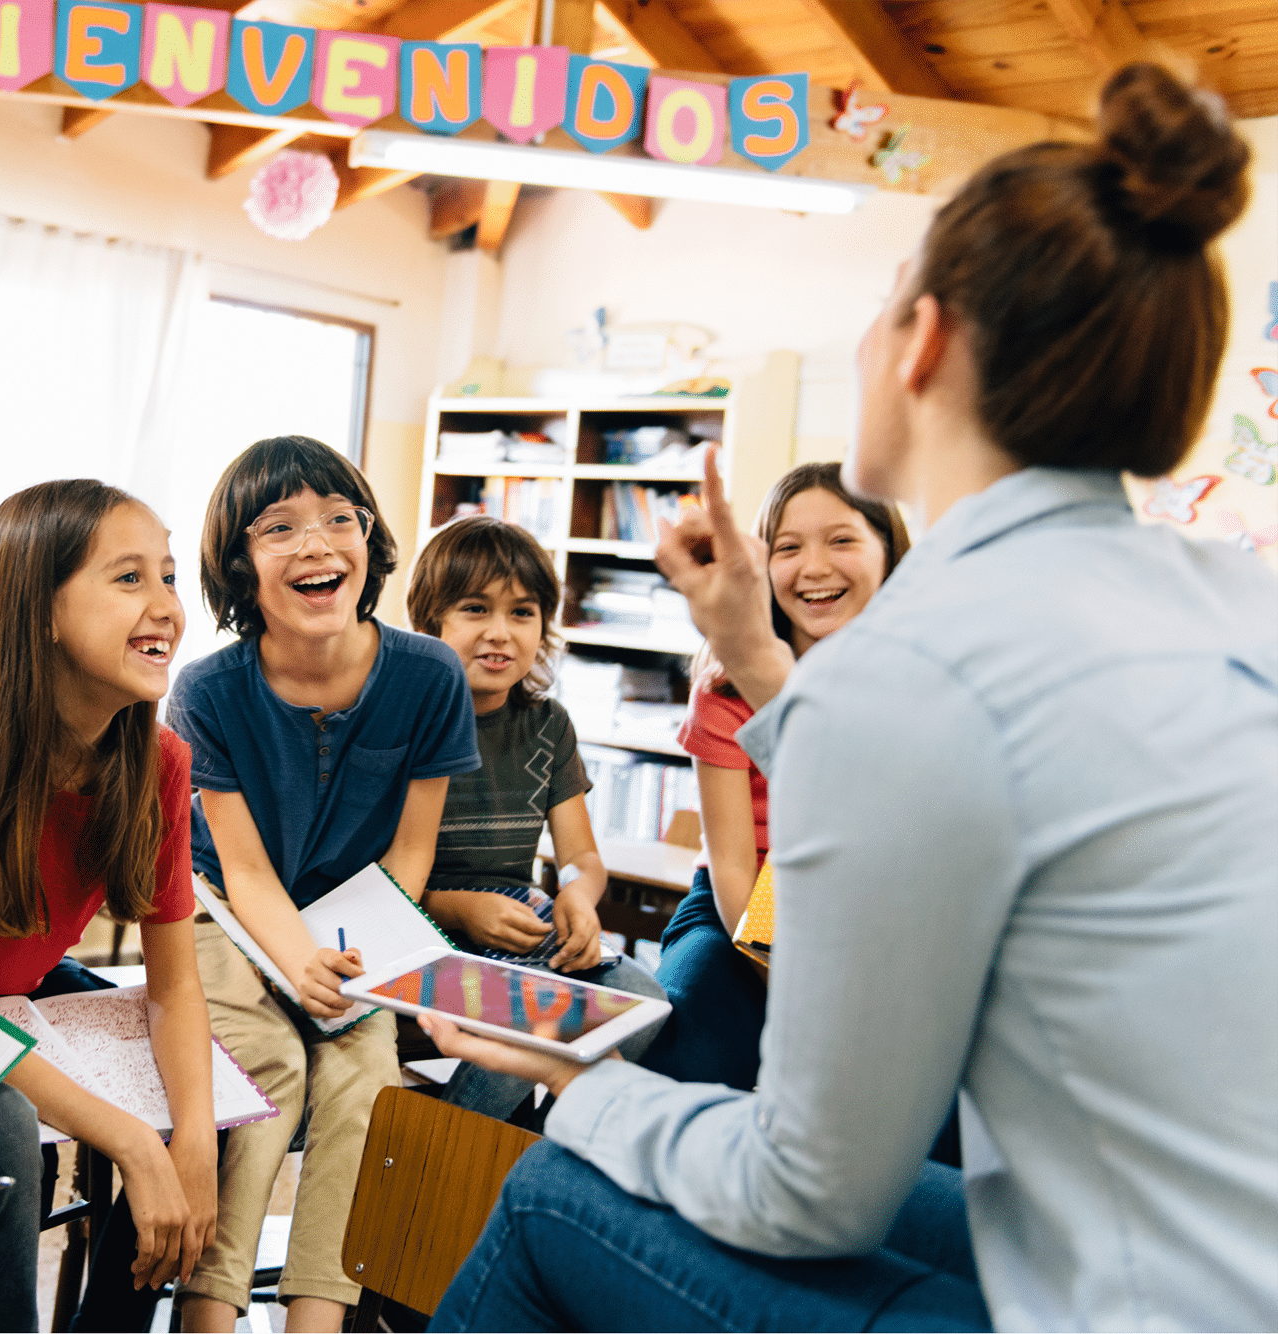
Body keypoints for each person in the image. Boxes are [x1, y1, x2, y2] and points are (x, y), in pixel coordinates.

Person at [426, 63, 1278, 1332]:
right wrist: (762, 666)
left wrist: (579, 1073)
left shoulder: (911, 671)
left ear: (922, 341)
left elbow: (810, 1191)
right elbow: (967, 777)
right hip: (1196, 1259)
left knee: (559, 1182)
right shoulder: (1234, 599)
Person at [0, 479, 217, 1332]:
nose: (166, 604)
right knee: (9, 1131)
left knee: (205, 1102)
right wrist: (131, 1139)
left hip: (12, 988)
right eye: (129, 577)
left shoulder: (159, 760)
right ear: (41, 612)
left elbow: (172, 988)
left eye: (169, 576)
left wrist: (193, 1140)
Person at [166, 436, 481, 1334]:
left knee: (364, 1079)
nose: (318, 544)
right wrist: (296, 960)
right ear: (239, 566)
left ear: (371, 542)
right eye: (280, 528)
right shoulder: (206, 692)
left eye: (341, 519)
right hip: (224, 916)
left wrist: (352, 960)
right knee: (268, 1078)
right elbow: (247, 868)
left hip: (359, 927)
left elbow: (410, 858)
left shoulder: (429, 675)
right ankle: (210, 1311)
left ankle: (317, 1320)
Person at [638, 463, 906, 1095]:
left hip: (870, 913)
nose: (814, 568)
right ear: (759, 566)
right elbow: (732, 865)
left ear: (890, 555)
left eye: (842, 540)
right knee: (694, 1040)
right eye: (788, 547)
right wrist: (779, 980)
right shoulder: (727, 689)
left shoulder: (918, 680)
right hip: (741, 904)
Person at [402, 514, 666, 1124]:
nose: (501, 633)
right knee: (534, 1016)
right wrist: (461, 908)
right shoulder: (402, 722)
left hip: (523, 929)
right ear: (428, 623)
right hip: (422, 930)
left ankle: (542, 1148)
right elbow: (371, 877)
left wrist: (578, 892)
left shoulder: (549, 726)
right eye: (475, 609)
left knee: (646, 1001)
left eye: (522, 613)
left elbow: (582, 856)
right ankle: (454, 1158)